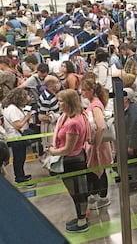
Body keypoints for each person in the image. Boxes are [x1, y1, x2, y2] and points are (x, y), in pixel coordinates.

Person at [47, 89, 90, 233]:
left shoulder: (73, 123)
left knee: (77, 191)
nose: (58, 104)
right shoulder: (76, 116)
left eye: (61, 101)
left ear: (69, 102)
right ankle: (81, 217)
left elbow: (67, 149)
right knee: (77, 190)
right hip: (75, 158)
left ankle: (82, 220)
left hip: (72, 160)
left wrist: (52, 152)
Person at [81, 77, 112, 210]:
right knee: (94, 169)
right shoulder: (92, 103)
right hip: (93, 142)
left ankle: (102, 196)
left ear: (91, 91)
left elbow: (101, 126)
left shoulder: (95, 105)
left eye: (84, 90)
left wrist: (96, 144)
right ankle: (95, 194)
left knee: (100, 169)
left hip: (97, 144)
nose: (82, 93)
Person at [2, 88, 33, 185]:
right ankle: (19, 177)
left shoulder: (11, 107)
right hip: (16, 137)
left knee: (20, 157)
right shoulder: (12, 109)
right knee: (19, 158)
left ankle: (21, 174)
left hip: (17, 137)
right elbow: (17, 125)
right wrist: (27, 117)